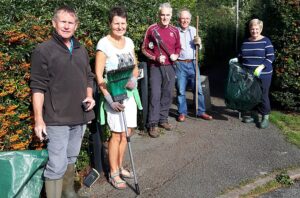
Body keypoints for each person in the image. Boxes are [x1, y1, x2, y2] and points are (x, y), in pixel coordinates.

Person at [30, 5, 95, 197]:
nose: (66, 26)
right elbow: (38, 87)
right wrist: (39, 119)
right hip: (56, 119)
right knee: (56, 165)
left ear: (76, 25)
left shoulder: (81, 49)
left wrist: (90, 95)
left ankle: (68, 192)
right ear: (54, 23)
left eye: (70, 22)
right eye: (63, 22)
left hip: (80, 116)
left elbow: (89, 76)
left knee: (71, 158)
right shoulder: (43, 50)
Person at [95, 6, 142, 190]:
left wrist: (133, 80)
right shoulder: (103, 45)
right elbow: (99, 75)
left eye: (123, 23)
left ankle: (120, 165)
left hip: (129, 96)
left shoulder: (129, 42)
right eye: (116, 23)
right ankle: (113, 172)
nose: (120, 26)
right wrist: (109, 99)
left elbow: (135, 67)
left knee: (127, 132)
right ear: (110, 24)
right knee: (116, 134)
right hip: (113, 96)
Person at [142, 2, 181, 138]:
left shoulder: (175, 31)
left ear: (171, 16)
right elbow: (144, 49)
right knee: (155, 94)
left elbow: (178, 47)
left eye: (167, 15)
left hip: (170, 66)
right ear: (158, 15)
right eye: (162, 15)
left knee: (168, 93)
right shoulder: (152, 29)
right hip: (155, 67)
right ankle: (152, 123)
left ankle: (163, 119)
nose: (165, 17)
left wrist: (176, 54)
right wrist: (156, 57)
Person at [176, 9, 213, 122]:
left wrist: (199, 43)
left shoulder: (194, 30)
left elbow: (199, 47)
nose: (185, 20)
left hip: (193, 63)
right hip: (180, 64)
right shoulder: (175, 31)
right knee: (181, 90)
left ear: (190, 19)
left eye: (187, 18)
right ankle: (182, 112)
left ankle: (201, 111)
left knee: (198, 89)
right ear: (179, 19)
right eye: (183, 18)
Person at [238, 18, 275, 129]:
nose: (254, 31)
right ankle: (252, 115)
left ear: (261, 29)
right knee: (250, 95)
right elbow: (241, 55)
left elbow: (271, 57)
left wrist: (262, 66)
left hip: (263, 74)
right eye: (252, 29)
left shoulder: (266, 41)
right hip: (248, 74)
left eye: (256, 29)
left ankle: (265, 117)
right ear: (249, 29)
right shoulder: (245, 42)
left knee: (263, 95)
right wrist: (237, 60)